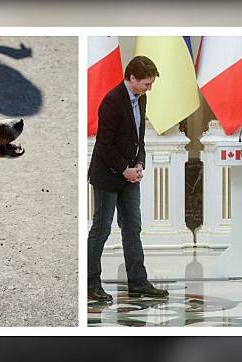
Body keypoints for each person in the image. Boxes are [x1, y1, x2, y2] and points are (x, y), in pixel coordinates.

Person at [87, 55, 168, 301]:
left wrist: (140, 162)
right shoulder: (112, 101)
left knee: (132, 228)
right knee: (101, 229)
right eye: (146, 84)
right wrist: (124, 169)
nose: (149, 88)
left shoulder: (141, 99)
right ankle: (91, 284)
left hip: (130, 175)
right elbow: (103, 145)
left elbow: (138, 137)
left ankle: (138, 282)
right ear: (131, 78)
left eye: (151, 84)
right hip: (108, 176)